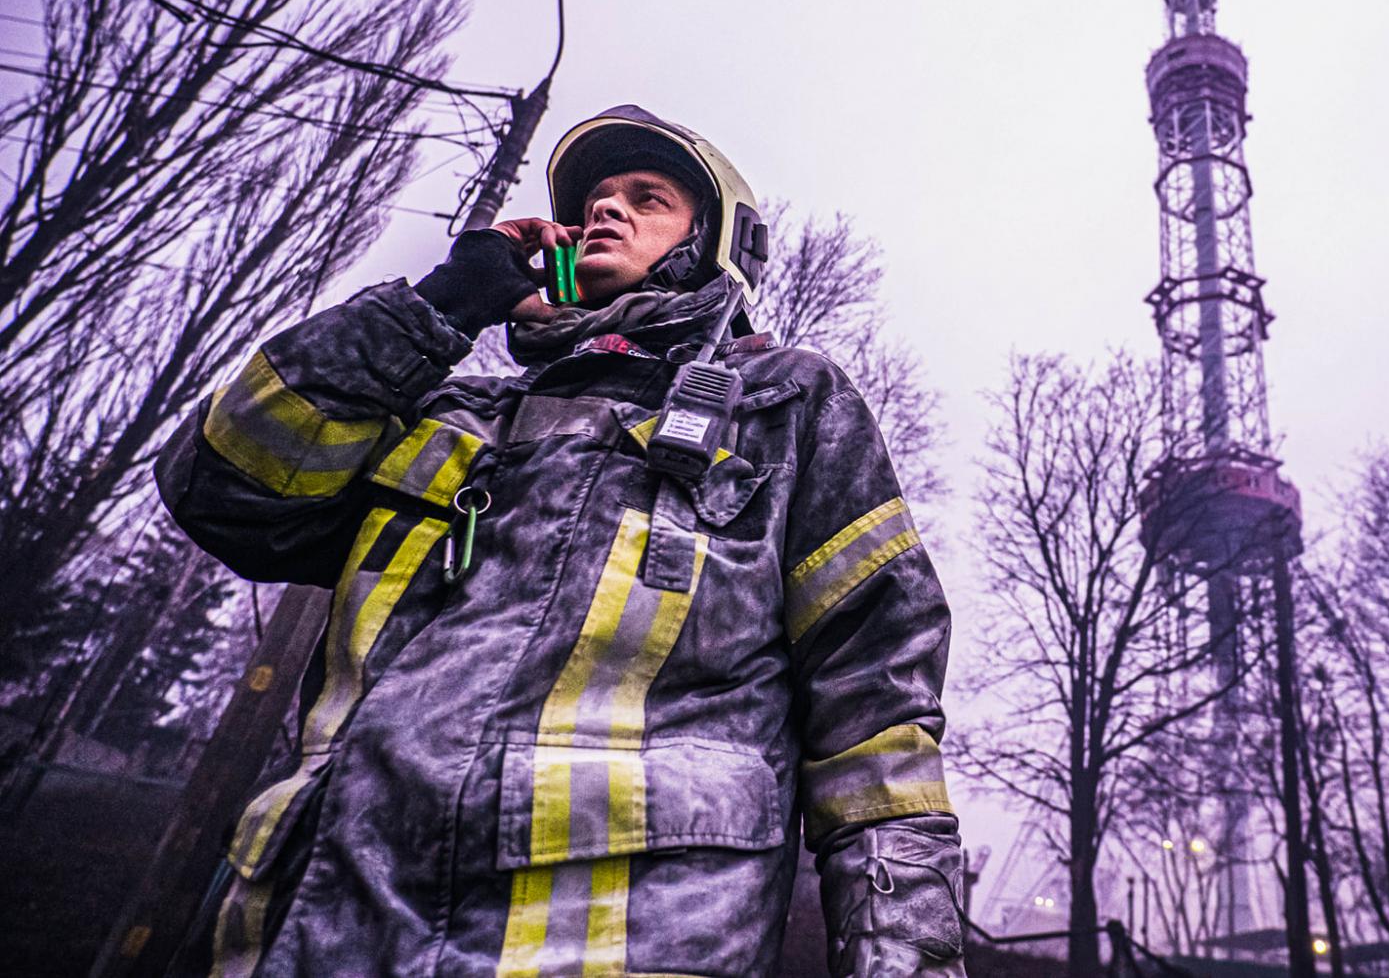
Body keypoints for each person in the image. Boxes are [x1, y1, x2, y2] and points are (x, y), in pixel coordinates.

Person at [155, 105, 965, 977]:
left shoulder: (785, 404)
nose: (605, 210)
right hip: (323, 941)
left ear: (715, 245)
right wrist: (435, 311)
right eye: (594, 201)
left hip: (610, 950)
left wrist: (906, 958)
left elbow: (876, 714)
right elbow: (226, 488)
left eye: (647, 198)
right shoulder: (452, 416)